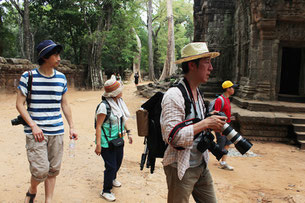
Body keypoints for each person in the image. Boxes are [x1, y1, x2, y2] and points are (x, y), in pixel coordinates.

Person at [160, 42, 227, 203]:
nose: (211, 68)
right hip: (180, 167)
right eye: (207, 62)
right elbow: (173, 137)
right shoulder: (174, 95)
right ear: (192, 65)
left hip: (200, 163)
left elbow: (194, 122)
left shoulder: (198, 93)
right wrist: (206, 123)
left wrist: (210, 119)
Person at [16, 40, 78, 203]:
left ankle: (48, 200)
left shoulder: (61, 78)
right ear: (45, 57)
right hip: (36, 132)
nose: (59, 58)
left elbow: (64, 103)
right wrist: (33, 125)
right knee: (40, 171)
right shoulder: (28, 77)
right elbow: (19, 104)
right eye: (55, 55)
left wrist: (71, 126)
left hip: (56, 131)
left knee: (53, 170)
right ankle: (33, 189)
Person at [94, 78, 133, 202]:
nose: (122, 92)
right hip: (106, 142)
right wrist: (98, 145)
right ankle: (106, 190)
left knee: (118, 161)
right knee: (111, 166)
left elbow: (122, 119)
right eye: (119, 90)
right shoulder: (104, 107)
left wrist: (129, 132)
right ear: (114, 93)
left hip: (118, 139)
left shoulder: (118, 103)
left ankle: (112, 178)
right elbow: (98, 126)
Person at [215, 80, 237, 171]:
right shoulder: (220, 100)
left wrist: (229, 118)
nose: (234, 90)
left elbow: (224, 113)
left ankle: (223, 162)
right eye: (232, 88)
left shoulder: (227, 99)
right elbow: (216, 114)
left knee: (227, 144)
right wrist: (219, 128)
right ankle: (203, 152)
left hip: (227, 125)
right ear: (228, 89)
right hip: (221, 127)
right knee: (220, 146)